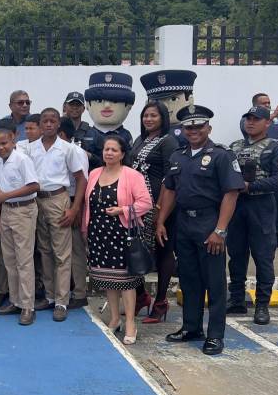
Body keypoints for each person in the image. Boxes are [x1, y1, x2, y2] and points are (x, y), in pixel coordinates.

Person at [156, 105, 244, 356]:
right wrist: (161, 221)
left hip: (210, 223)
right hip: (184, 223)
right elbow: (170, 190)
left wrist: (220, 230)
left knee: (214, 282)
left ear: (208, 128)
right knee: (189, 279)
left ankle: (215, 335)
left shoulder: (221, 155)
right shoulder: (178, 156)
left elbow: (231, 193)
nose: (193, 130)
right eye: (189, 127)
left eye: (199, 126)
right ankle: (192, 327)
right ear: (182, 130)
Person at [82, 136, 152, 345]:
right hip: (98, 234)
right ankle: (114, 318)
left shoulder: (132, 175)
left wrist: (123, 210)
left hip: (122, 234)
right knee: (107, 279)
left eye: (114, 150)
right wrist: (86, 230)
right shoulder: (94, 173)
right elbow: (88, 206)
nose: (109, 153)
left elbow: (146, 203)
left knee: (126, 282)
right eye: (106, 149)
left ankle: (130, 322)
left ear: (122, 154)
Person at [228, 106, 278, 326]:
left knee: (263, 257)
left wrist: (251, 186)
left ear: (267, 123)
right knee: (236, 254)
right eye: (248, 119)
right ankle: (236, 299)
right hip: (236, 206)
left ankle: (262, 305)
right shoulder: (233, 147)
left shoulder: (276, 149)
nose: (251, 123)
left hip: (261, 205)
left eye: (256, 119)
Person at [27, 108, 87, 321]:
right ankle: (50, 296)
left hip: (58, 199)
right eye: (45, 121)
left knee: (62, 253)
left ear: (58, 124)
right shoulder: (30, 149)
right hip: (37, 200)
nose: (49, 124)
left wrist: (74, 208)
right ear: (40, 124)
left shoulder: (67, 149)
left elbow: (81, 179)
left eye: (53, 121)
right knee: (44, 250)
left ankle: (62, 301)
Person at [129, 102, 180, 324]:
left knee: (163, 252)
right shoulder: (140, 140)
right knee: (135, 250)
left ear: (163, 119)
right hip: (138, 206)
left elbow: (170, 179)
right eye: (145, 115)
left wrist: (160, 210)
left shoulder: (168, 141)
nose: (148, 119)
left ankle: (160, 303)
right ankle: (141, 297)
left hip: (161, 205)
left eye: (153, 116)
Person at [0, 126, 40, 325]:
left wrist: (6, 196)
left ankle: (28, 306)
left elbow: (34, 185)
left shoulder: (22, 159)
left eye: (4, 143)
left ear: (12, 141)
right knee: (9, 260)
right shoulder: (0, 162)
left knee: (24, 259)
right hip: (8, 212)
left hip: (23, 210)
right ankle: (15, 301)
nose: (1, 147)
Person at [240, 93, 278, 250]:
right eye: (263, 103)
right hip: (259, 168)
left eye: (269, 103)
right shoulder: (247, 120)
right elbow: (247, 132)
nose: (268, 105)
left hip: (276, 162)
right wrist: (271, 116)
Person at [57, 116, 90, 309]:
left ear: (62, 134)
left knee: (76, 249)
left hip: (73, 201)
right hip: (62, 201)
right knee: (60, 250)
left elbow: (81, 181)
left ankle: (79, 292)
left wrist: (76, 208)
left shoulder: (75, 152)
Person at [139, 70, 198, 148]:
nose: (165, 106)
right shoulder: (147, 134)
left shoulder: (188, 134)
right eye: (157, 101)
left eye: (173, 99)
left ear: (190, 101)